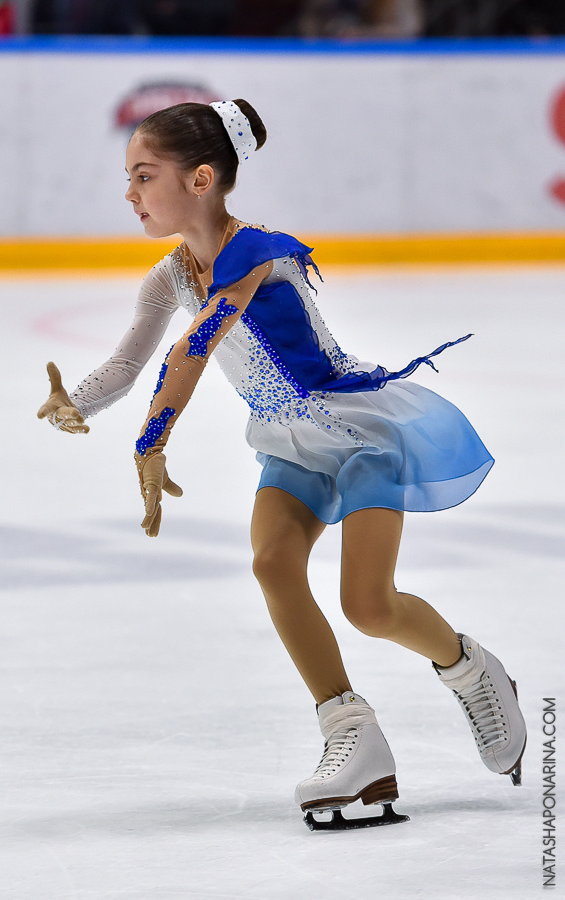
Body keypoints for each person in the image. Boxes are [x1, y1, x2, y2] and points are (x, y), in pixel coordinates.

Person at [37, 99, 526, 830]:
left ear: (201, 179)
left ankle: (470, 671)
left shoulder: (254, 251)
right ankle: (350, 735)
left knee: (368, 605)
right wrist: (76, 403)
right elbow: (128, 361)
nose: (129, 193)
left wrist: (151, 442)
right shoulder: (169, 275)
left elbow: (193, 348)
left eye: (144, 175)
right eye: (128, 177)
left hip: (357, 432)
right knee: (272, 565)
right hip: (288, 440)